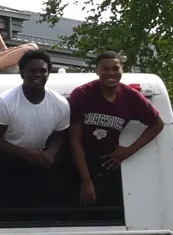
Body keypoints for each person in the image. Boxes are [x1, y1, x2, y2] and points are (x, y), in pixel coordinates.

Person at [67, 51, 165, 206]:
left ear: (122, 70)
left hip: (108, 164)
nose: (110, 73)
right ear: (97, 71)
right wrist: (86, 181)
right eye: (105, 69)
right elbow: (74, 140)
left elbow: (157, 124)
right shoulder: (82, 94)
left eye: (115, 68)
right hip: (77, 163)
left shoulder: (130, 97)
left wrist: (128, 151)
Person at [0, 49, 72, 199]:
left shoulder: (60, 103)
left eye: (42, 71)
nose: (38, 75)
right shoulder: (4, 102)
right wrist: (24, 153)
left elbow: (60, 134)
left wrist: (51, 152)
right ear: (21, 73)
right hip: (6, 161)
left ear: (48, 74)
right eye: (32, 71)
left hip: (40, 161)